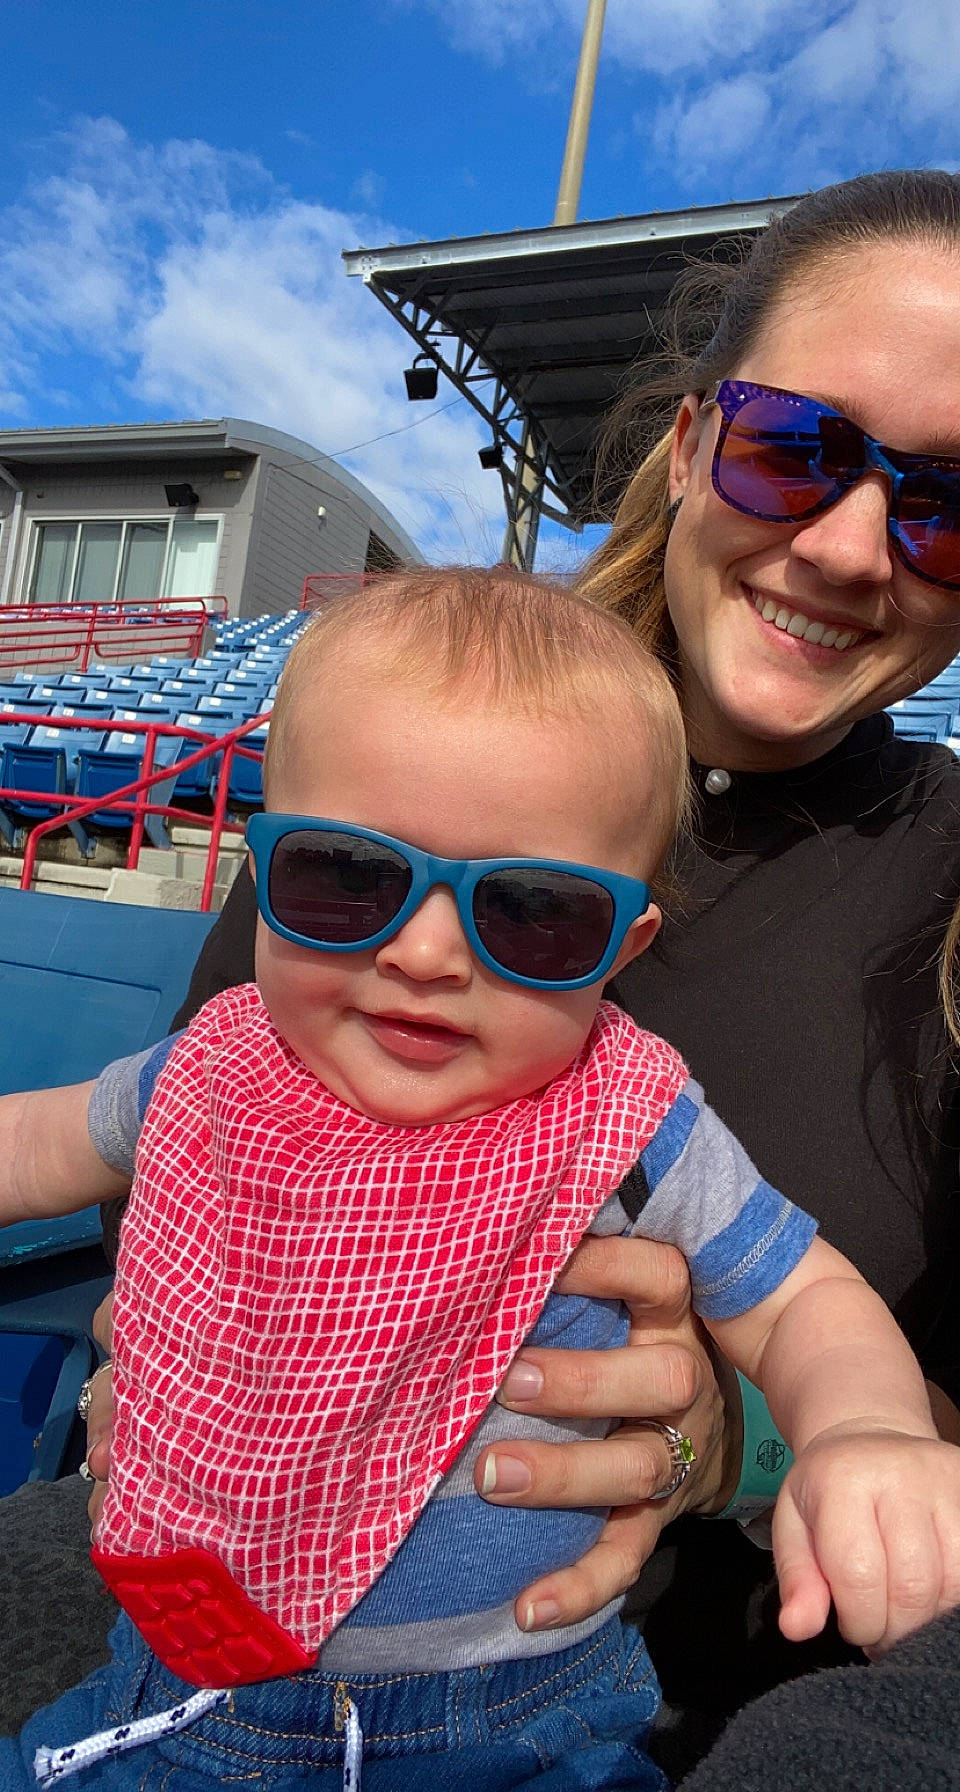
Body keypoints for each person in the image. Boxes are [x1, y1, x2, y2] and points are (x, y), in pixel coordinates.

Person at [4, 164, 960, 1775]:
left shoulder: (661, 1088)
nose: (856, 545)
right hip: (187, 1617)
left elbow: (813, 1320)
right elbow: (111, 1173)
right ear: (689, 443)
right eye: (798, 449)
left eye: (949, 499)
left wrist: (757, 1442)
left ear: (621, 935)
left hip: (630, 1695)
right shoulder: (383, 756)